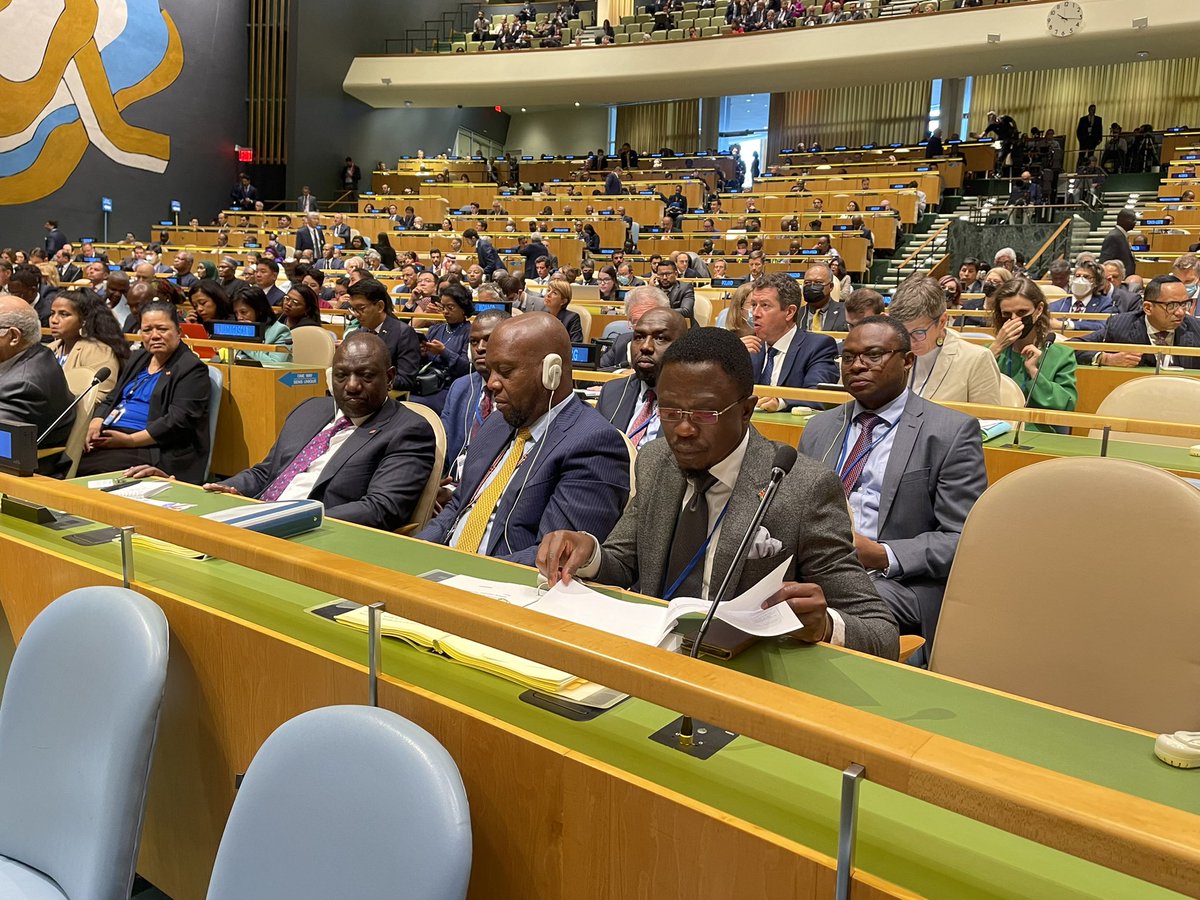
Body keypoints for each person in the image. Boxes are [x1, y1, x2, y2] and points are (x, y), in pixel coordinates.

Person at [536, 326, 899, 659]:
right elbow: (624, 561)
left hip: (741, 672)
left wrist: (825, 625)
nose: (684, 430)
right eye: (670, 411)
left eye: (705, 414)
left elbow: (881, 631)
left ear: (746, 411)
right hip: (648, 654)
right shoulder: (656, 460)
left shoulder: (801, 488)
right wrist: (588, 553)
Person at [797, 317, 986, 652]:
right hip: (817, 565)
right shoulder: (820, 426)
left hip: (893, 580)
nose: (857, 366)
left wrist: (883, 555)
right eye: (848, 357)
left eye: (873, 355)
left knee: (822, 610)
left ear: (908, 361)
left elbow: (963, 537)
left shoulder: (949, 432)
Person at [129, 333, 436, 531]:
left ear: (390, 378)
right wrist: (225, 490)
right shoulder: (311, 409)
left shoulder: (407, 430)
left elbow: (381, 509)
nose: (352, 385)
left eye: (366, 376)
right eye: (342, 375)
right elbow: (266, 473)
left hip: (314, 536)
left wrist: (289, 517)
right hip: (256, 521)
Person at [418, 313, 631, 565]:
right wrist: (415, 551)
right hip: (441, 572)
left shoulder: (593, 444)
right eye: (491, 371)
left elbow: (553, 558)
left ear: (551, 371)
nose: (492, 384)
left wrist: (459, 571)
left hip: (500, 587)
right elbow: (457, 509)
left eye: (506, 371)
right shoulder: (497, 422)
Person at [78, 302, 211, 482]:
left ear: (178, 332)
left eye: (162, 329)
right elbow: (112, 398)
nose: (154, 336)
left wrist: (130, 440)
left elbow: (177, 422)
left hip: (153, 447)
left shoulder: (192, 368)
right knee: (63, 457)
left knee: (88, 469)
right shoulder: (139, 358)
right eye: (147, 330)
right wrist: (94, 425)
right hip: (113, 435)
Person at [887, 275, 1002, 404]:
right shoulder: (890, 353)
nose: (909, 342)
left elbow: (988, 422)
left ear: (942, 322)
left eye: (918, 332)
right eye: (902, 332)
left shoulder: (977, 360)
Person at [744, 273, 839, 411]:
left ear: (789, 312)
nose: (755, 313)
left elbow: (819, 396)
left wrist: (781, 402)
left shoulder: (818, 347)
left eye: (765, 305)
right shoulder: (749, 347)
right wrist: (734, 357)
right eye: (753, 305)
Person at [989, 278, 1077, 424]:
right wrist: (996, 348)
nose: (1015, 320)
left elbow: (1066, 405)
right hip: (994, 428)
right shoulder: (988, 352)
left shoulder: (1062, 355)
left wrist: (1034, 372)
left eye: (1022, 312)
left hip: (1037, 432)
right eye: (1007, 314)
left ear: (1039, 309)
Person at [597, 308, 686, 447]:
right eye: (639, 337)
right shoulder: (612, 392)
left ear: (682, 348)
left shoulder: (695, 404)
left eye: (660, 338)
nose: (645, 346)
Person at [441, 309, 510, 479]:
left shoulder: (520, 392)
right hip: (455, 484)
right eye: (474, 341)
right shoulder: (461, 387)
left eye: (489, 340)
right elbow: (443, 445)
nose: (480, 348)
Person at [1077, 275, 1200, 369]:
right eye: (1172, 306)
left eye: (1184, 304)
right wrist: (1106, 358)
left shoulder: (1195, 327)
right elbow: (1072, 347)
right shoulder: (1120, 325)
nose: (1180, 312)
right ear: (1147, 308)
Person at [0, 296, 74, 449]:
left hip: (24, 468)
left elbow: (4, 444)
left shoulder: (23, 385)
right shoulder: (39, 353)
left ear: (14, 337)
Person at [46, 289, 127, 402]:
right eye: (52, 313)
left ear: (83, 320)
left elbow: (98, 397)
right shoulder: (49, 348)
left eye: (64, 314)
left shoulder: (99, 351)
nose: (54, 320)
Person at [344, 278, 421, 393]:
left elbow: (407, 380)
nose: (356, 314)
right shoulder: (355, 335)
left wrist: (368, 378)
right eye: (353, 309)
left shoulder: (403, 333)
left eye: (361, 308)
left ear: (380, 306)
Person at [413, 283, 473, 414]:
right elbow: (423, 361)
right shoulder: (435, 329)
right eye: (443, 307)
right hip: (426, 381)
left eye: (450, 307)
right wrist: (422, 352)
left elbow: (467, 368)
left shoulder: (470, 333)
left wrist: (443, 352)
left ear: (463, 308)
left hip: (449, 386)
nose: (445, 311)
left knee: (415, 404)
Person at [600, 284, 670, 369]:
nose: (644, 328)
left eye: (650, 322)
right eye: (637, 322)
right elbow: (597, 373)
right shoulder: (622, 342)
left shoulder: (674, 345)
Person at [230, 285, 292, 363]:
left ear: (259, 311)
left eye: (243, 312)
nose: (239, 317)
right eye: (236, 313)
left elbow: (275, 363)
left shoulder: (280, 331)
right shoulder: (237, 330)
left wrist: (246, 344)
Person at [1047, 261, 1112, 331]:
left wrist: (1067, 325)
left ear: (1096, 282)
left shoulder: (1105, 304)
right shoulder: (1055, 306)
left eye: (1086, 277)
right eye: (1077, 276)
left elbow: (1103, 326)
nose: (1080, 280)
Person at [795, 263, 846, 332]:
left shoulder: (845, 311)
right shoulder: (796, 314)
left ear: (831, 286)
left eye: (818, 282)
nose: (812, 286)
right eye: (807, 283)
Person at [1099, 208, 1138, 277]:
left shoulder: (1121, 235)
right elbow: (1105, 261)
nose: (1135, 222)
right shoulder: (1114, 237)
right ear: (1123, 220)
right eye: (1133, 219)